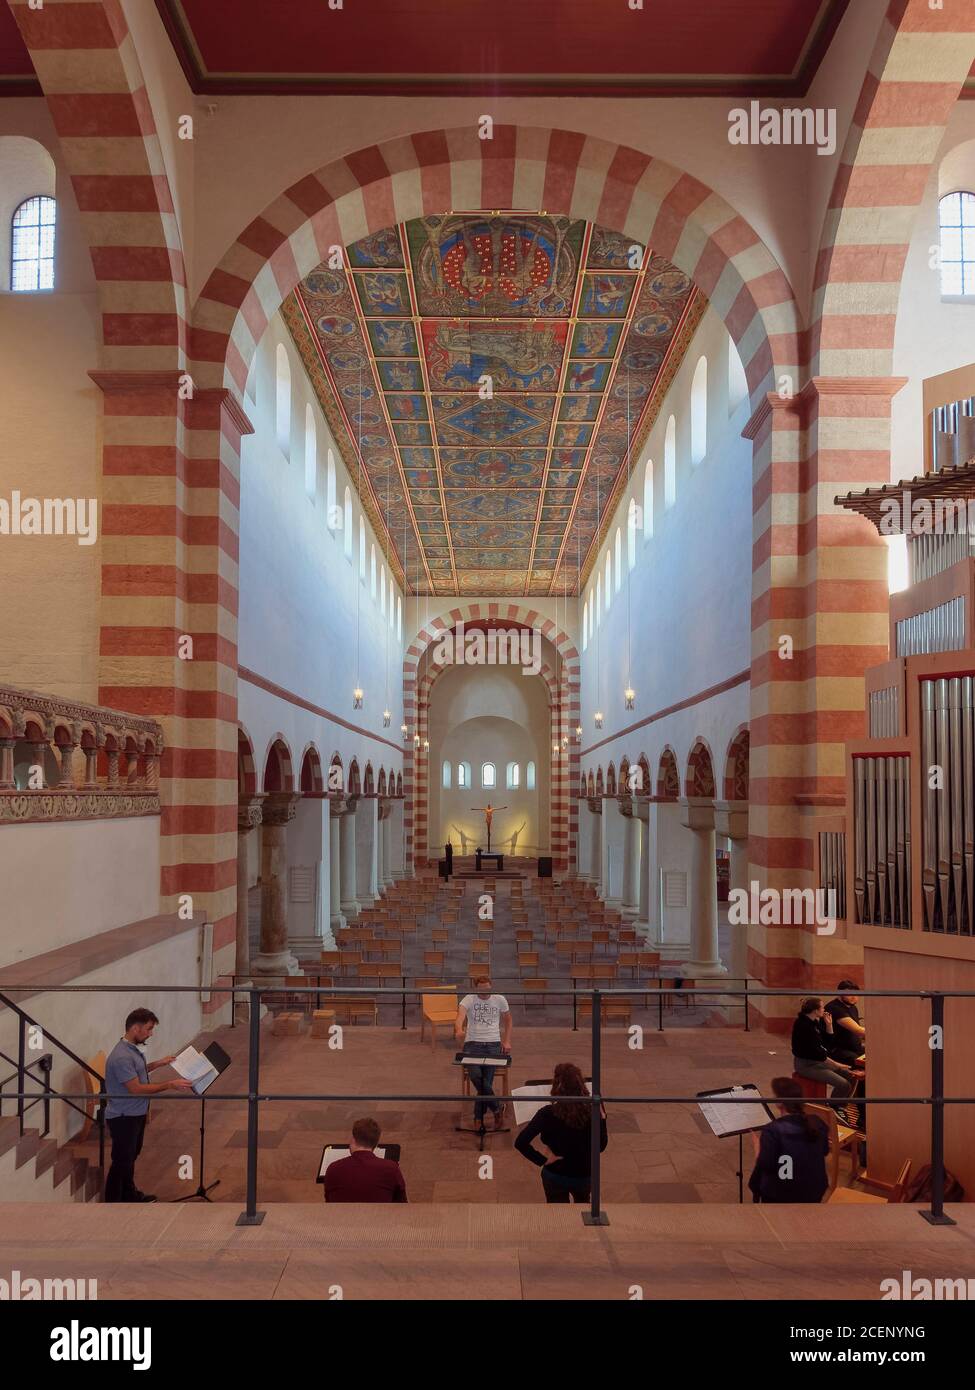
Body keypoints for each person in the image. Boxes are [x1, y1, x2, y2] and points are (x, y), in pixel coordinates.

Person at [103, 1007, 194, 1203]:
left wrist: (158, 1064)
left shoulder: (129, 1050)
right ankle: (111, 1202)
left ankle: (129, 1195)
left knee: (129, 1158)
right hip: (123, 1117)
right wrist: (169, 1084)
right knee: (121, 1162)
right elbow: (135, 1088)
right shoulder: (121, 1057)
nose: (150, 1033)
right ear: (135, 1028)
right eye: (149, 1029)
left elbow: (137, 1071)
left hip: (134, 1114)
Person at [515, 1062, 608, 1203]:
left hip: (555, 1173)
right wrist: (602, 1120)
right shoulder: (593, 1112)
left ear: (557, 1085)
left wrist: (543, 1160)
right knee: (582, 1209)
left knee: (557, 1214)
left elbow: (520, 1142)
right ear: (581, 1085)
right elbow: (600, 1146)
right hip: (584, 1173)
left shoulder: (547, 1113)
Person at [748, 1077, 830, 1204]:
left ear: (779, 1102)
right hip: (814, 1191)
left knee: (761, 1181)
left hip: (782, 1196)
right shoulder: (817, 1123)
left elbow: (766, 1165)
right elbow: (824, 1150)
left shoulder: (773, 1130)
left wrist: (758, 1148)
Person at [455, 977, 511, 1128]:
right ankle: (497, 1108)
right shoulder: (469, 999)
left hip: (493, 1044)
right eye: (481, 989)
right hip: (472, 1044)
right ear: (476, 988)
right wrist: (459, 1029)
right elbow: (460, 1016)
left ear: (491, 987)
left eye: (487, 989)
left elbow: (508, 1020)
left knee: (486, 1080)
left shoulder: (499, 999)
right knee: (476, 1076)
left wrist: (506, 1041)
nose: (485, 992)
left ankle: (478, 1117)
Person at [323, 1117, 407, 1203]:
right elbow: (401, 1205)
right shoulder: (391, 1168)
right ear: (376, 1143)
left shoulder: (333, 1169)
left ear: (353, 1139)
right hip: (380, 1216)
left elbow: (329, 1202)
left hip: (341, 1216)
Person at [791, 997, 860, 1102]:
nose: (824, 1010)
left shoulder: (814, 1022)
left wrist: (829, 1025)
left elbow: (827, 1044)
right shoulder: (803, 1026)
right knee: (844, 1084)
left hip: (817, 1062)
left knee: (851, 1076)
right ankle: (834, 1108)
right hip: (806, 1065)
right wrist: (838, 1065)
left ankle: (841, 1105)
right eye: (822, 1008)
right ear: (815, 1010)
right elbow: (819, 1054)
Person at [825, 980, 866, 1066]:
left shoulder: (853, 1007)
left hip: (853, 1048)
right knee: (864, 1064)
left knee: (877, 1054)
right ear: (840, 993)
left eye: (856, 994)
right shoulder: (834, 1008)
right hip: (838, 1050)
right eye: (850, 994)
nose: (854, 997)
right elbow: (858, 1030)